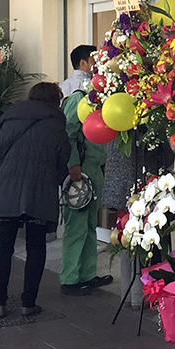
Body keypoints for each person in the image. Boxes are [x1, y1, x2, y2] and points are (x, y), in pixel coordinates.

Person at [0, 82, 72, 318]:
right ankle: (27, 303)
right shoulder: (56, 124)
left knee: (3, 244)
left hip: (8, 188)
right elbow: (62, 159)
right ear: (55, 99)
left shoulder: (12, 118)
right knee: (36, 245)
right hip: (39, 191)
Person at [59, 86, 112, 294]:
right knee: (76, 225)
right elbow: (68, 133)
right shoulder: (79, 99)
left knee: (90, 224)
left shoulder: (101, 101)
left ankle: (87, 274)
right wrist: (73, 164)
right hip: (80, 168)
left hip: (94, 168)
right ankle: (70, 278)